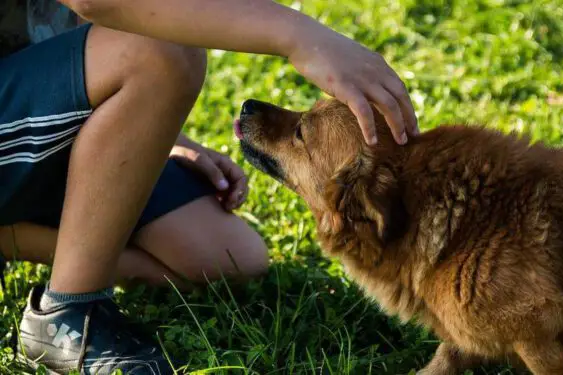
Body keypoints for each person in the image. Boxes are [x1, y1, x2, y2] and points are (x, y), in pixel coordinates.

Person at [0, 0, 419, 373]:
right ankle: (68, 313)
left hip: (31, 111)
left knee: (228, 258)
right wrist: (300, 36)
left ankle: (12, 237)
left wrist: (146, 128)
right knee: (165, 51)